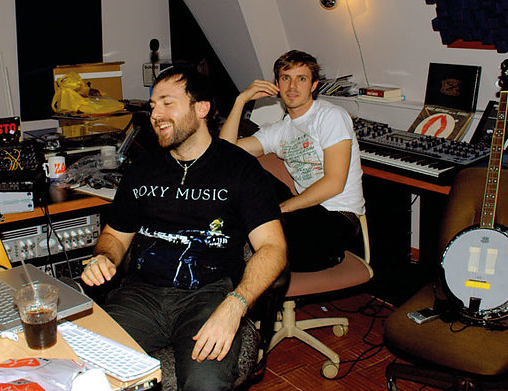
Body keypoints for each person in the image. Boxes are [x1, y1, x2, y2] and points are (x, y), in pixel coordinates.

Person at [80, 66, 287, 391]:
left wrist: (234, 305)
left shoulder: (240, 169)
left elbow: (273, 249)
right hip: (140, 295)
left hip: (208, 295)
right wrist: (105, 257)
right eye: (152, 107)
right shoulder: (142, 170)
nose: (155, 115)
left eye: (167, 103)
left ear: (201, 108)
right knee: (84, 372)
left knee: (204, 383)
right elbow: (114, 236)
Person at [220, 50, 365, 272]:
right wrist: (241, 100)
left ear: (314, 85)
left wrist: (280, 209)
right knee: (242, 169)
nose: (292, 86)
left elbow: (334, 183)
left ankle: (242, 253)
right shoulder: (279, 130)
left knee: (253, 241)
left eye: (302, 78)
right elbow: (225, 155)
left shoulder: (331, 116)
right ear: (277, 84)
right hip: (301, 214)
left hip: (335, 219)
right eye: (286, 78)